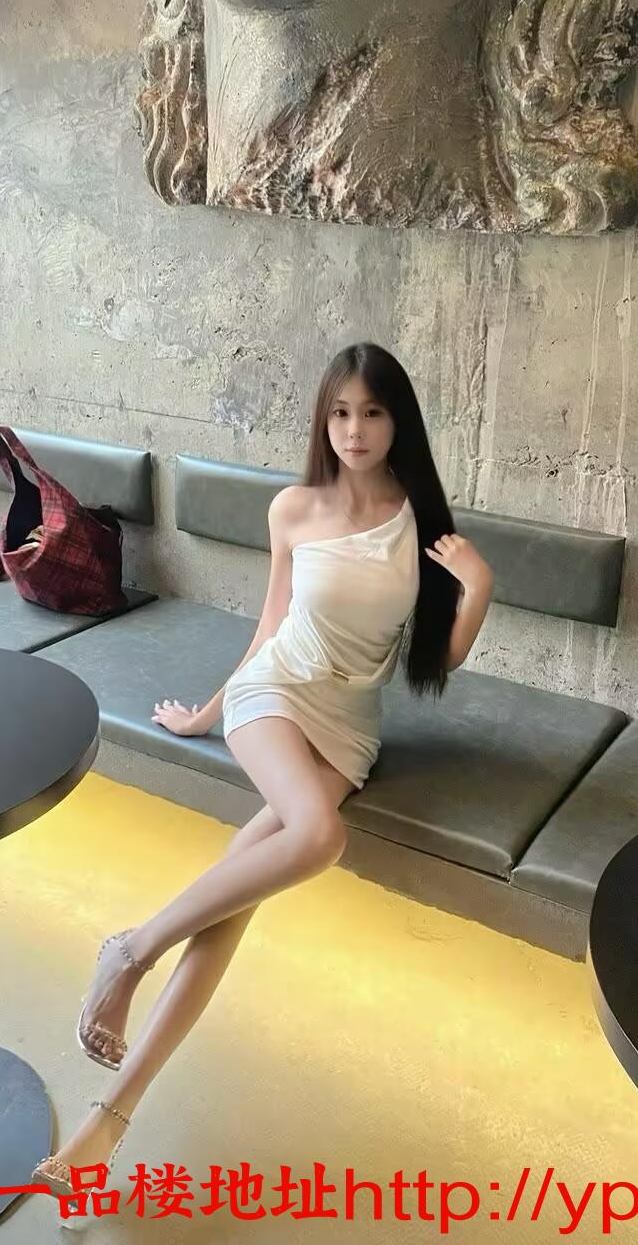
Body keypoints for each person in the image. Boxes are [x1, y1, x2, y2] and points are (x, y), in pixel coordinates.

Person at [32, 342, 494, 1216]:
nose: (355, 430)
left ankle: (105, 1122)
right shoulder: (293, 509)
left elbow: (435, 660)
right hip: (273, 694)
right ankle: (131, 952)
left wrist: (478, 589)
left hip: (348, 727)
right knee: (317, 833)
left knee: (233, 901)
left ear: (399, 421)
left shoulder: (421, 520)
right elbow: (270, 625)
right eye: (341, 412)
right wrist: (207, 712)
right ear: (324, 420)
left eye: (373, 412)